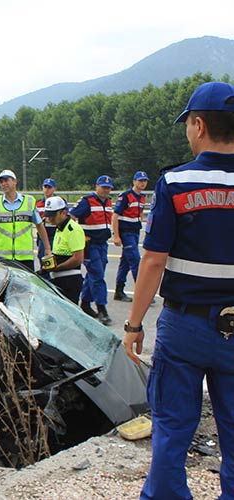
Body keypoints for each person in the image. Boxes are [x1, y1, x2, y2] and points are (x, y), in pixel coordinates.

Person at [123, 81, 234, 500]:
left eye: (187, 123)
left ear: (199, 125)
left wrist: (134, 324)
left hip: (186, 327)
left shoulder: (177, 183)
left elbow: (152, 261)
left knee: (172, 426)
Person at [70, 175, 114, 325]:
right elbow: (71, 216)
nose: (105, 190)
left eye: (108, 188)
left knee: (93, 275)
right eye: (103, 187)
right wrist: (80, 236)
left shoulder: (108, 202)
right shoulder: (86, 201)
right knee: (97, 275)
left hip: (102, 243)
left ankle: (85, 303)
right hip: (90, 245)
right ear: (96, 186)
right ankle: (102, 308)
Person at [112, 171, 148, 302]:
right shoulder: (126, 196)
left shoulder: (142, 197)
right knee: (135, 261)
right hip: (126, 232)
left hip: (135, 231)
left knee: (125, 263)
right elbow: (115, 216)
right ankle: (142, 294)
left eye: (144, 181)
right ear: (134, 181)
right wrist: (116, 235)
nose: (142, 183)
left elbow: (140, 214)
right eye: (140, 180)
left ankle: (119, 290)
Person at [42, 196, 85, 304]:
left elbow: (77, 258)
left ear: (63, 212)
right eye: (48, 215)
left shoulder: (72, 229)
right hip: (58, 279)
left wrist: (57, 268)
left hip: (69, 280)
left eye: (52, 215)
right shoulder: (60, 228)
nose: (49, 219)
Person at [35, 178, 57, 262]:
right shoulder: (38, 203)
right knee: (43, 258)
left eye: (49, 187)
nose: (47, 190)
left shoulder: (59, 201)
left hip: (55, 234)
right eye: (45, 187)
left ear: (54, 189)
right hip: (42, 235)